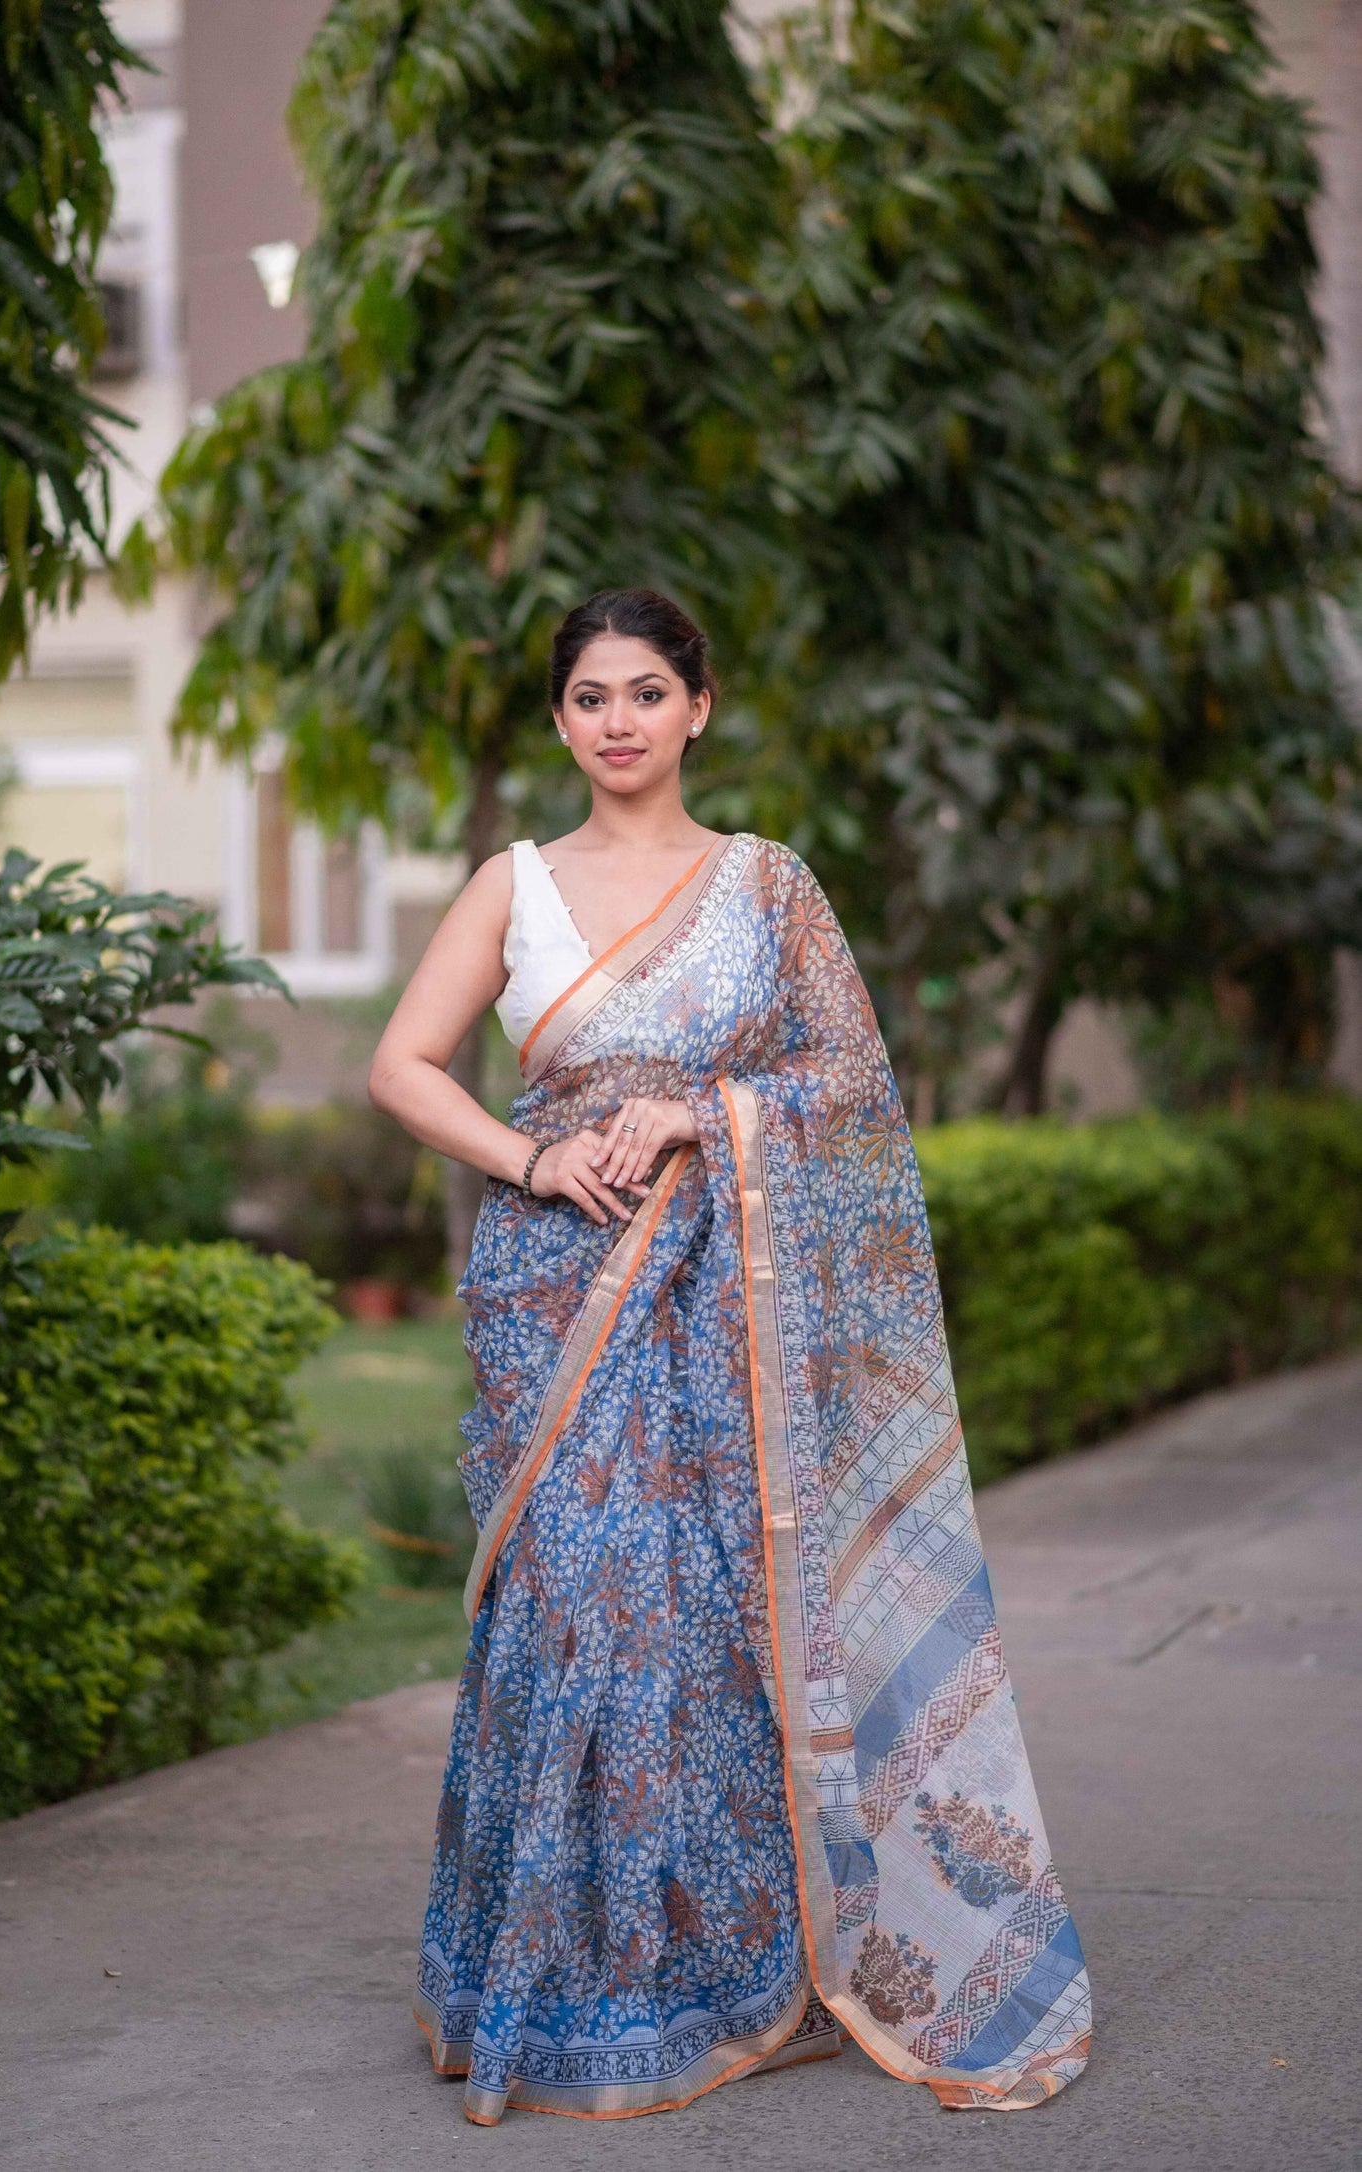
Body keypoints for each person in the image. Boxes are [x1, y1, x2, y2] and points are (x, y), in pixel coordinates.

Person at [368, 589, 1091, 2126]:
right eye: (584, 697)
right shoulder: (515, 884)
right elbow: (399, 1065)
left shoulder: (767, 886)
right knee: (570, 1612)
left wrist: (706, 1111)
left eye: (643, 691)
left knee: (702, 1618)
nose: (615, 721)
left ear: (699, 706)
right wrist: (530, 1161)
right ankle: (555, 1980)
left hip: (727, 1297)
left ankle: (719, 1972)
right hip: (556, 1286)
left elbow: (850, 1078)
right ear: (558, 721)